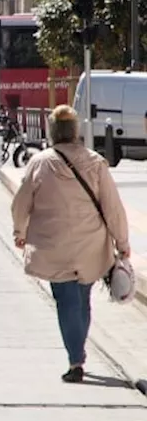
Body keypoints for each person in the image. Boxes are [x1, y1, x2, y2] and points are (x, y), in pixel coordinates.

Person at [11, 105, 132, 383]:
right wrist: (122, 242)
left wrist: (20, 231)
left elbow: (21, 203)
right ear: (76, 131)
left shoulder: (40, 162)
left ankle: (75, 359)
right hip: (91, 246)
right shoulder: (95, 162)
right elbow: (113, 208)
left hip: (54, 247)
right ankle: (78, 352)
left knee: (66, 302)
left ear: (52, 131)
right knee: (83, 299)